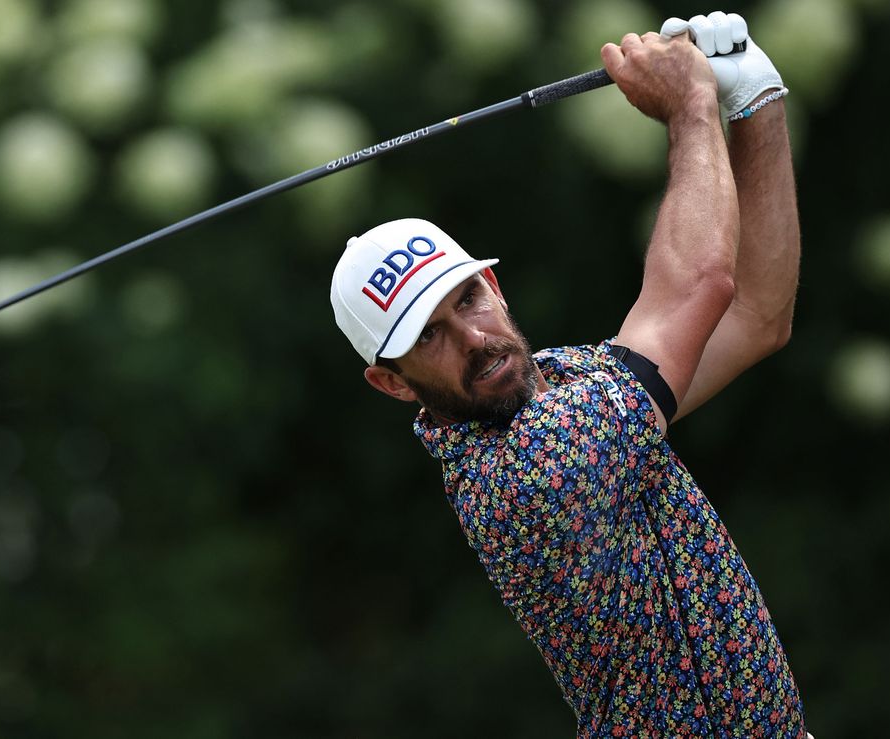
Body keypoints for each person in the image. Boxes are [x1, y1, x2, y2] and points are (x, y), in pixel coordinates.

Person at [330, 11, 809, 737]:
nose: (473, 337)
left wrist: (756, 104)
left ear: (496, 285)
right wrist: (690, 108)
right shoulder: (528, 469)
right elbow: (703, 283)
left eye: (467, 298)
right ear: (391, 382)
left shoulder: (566, 378)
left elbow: (756, 315)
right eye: (428, 336)